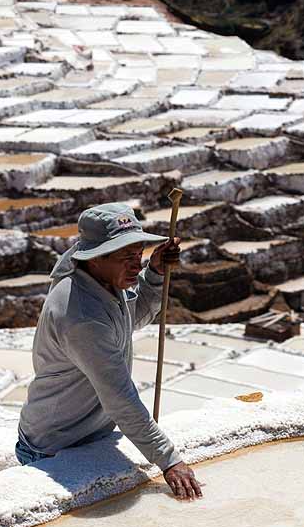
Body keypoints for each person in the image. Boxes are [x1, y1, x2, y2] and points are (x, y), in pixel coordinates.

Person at [16, 203, 203, 501]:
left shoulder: (104, 281)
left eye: (138, 254)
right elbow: (118, 396)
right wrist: (169, 460)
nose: (135, 265)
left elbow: (132, 318)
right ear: (95, 258)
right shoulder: (80, 314)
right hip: (55, 445)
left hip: (90, 434)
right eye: (125, 257)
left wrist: (153, 274)